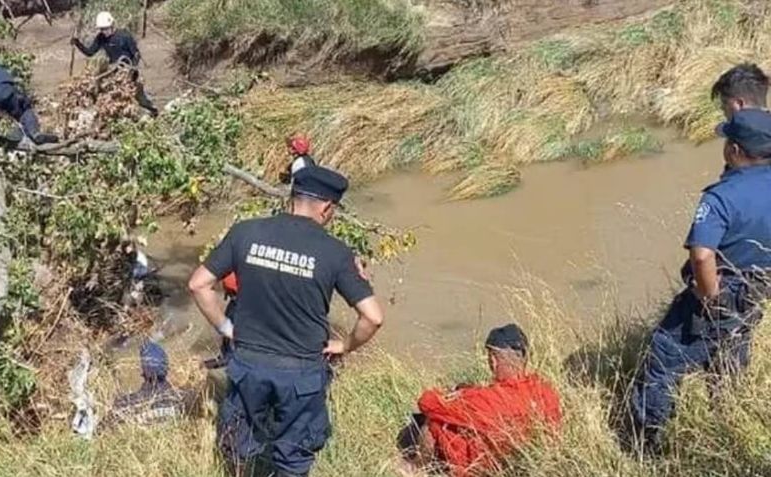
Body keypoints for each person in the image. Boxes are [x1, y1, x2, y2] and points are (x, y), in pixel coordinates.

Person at [188, 165, 385, 477]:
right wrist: (345, 345)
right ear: (327, 207)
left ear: (292, 197)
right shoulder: (336, 252)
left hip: (248, 364)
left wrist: (227, 329)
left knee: (238, 452)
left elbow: (198, 284)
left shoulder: (246, 232)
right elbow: (373, 317)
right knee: (293, 461)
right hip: (302, 373)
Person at [631, 108, 771, 453]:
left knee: (663, 360)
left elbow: (703, 255)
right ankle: (729, 427)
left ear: (735, 150)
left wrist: (710, 298)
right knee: (729, 360)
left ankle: (646, 444)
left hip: (720, 292)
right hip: (757, 292)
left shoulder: (720, 198)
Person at [399, 324, 561, 476]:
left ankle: (415, 468)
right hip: (523, 460)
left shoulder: (487, 400)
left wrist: (446, 394)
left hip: (485, 465)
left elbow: (428, 404)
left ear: (493, 360)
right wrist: (467, 391)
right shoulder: (545, 390)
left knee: (434, 423)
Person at [70, 11, 159, 117]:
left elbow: (136, 54)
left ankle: (153, 110)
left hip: (128, 70)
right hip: (114, 71)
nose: (104, 32)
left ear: (112, 25)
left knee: (137, 96)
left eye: (106, 28)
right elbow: (90, 52)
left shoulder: (124, 36)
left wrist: (132, 69)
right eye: (102, 29)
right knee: (110, 96)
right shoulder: (101, 38)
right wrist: (77, 43)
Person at [104, 341, 186, 428]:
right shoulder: (180, 399)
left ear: (143, 369)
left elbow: (103, 429)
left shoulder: (126, 405)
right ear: (166, 365)